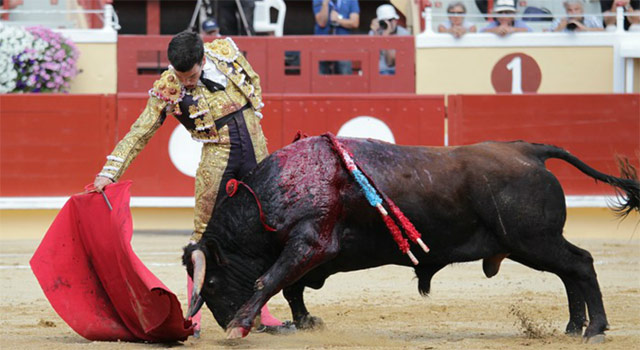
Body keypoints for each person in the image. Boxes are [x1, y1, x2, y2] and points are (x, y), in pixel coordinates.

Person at [91, 31, 286, 336]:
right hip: (218, 157)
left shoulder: (225, 53)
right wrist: (110, 171)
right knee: (203, 238)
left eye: (192, 75)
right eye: (182, 77)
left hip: (256, 149)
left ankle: (259, 312)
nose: (187, 83)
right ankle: (193, 317)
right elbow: (140, 131)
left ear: (203, 59)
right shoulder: (169, 87)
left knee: (261, 232)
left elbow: (254, 84)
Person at [313, 0, 360, 75]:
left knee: (345, 77)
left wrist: (338, 20)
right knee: (320, 78)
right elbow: (321, 23)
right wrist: (325, 4)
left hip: (343, 46)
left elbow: (355, 23)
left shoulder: (352, 1)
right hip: (322, 45)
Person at [368, 4, 410, 75]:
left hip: (397, 72)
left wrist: (386, 38)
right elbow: (372, 58)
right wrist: (376, 35)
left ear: (396, 20)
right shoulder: (374, 33)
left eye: (391, 20)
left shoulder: (403, 33)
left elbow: (390, 62)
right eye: (385, 21)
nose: (390, 23)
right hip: (378, 72)